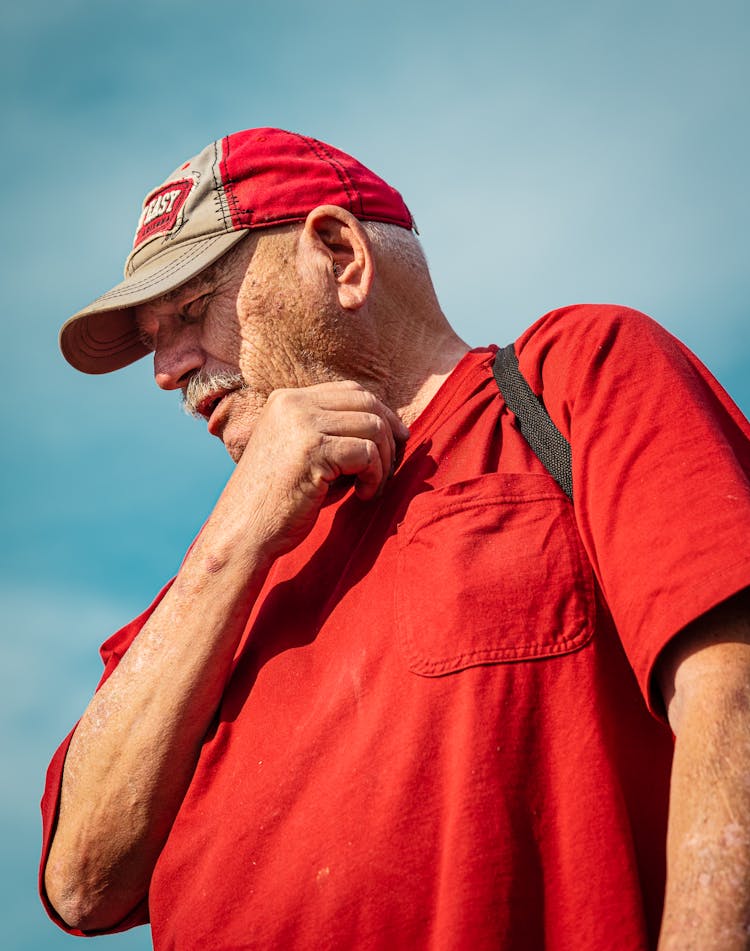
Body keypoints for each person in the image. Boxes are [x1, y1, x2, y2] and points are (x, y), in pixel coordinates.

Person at [40, 127, 750, 950]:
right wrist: (235, 538)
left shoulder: (574, 378)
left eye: (192, 310)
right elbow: (81, 881)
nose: (165, 370)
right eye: (150, 339)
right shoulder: (209, 594)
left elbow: (733, 689)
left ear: (339, 253)